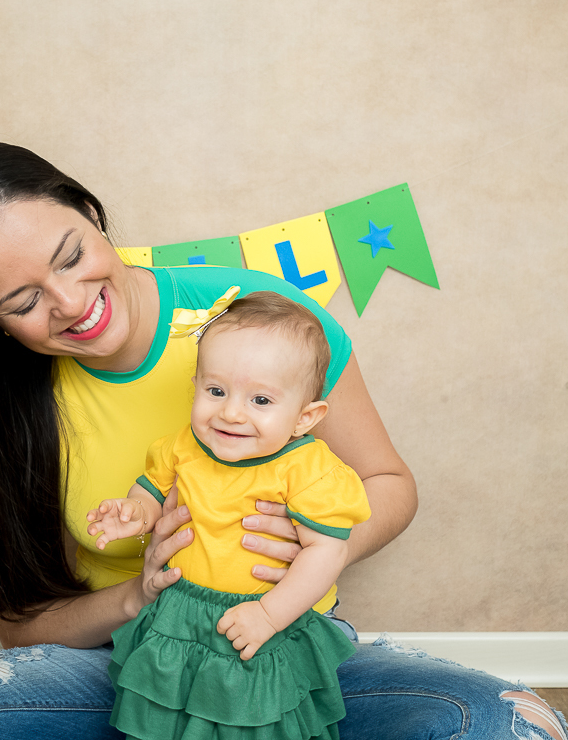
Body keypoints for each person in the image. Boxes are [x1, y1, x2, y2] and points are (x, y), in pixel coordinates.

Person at [0, 141, 568, 740]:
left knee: (509, 725)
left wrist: (312, 555)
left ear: (92, 214)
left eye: (72, 256)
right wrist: (139, 593)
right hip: (118, 673)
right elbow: (21, 627)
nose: (72, 304)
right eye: (23, 301)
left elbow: (388, 484)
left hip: (281, 660)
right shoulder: (1, 401)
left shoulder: (262, 322)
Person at [87, 289, 372, 739]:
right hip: (179, 615)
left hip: (260, 619)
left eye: (261, 401)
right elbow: (151, 491)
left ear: (304, 418)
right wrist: (134, 511)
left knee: (257, 721)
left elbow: (327, 552)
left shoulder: (310, 471)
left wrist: (271, 614)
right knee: (163, 715)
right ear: (196, 386)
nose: (232, 412)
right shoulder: (183, 446)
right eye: (216, 391)